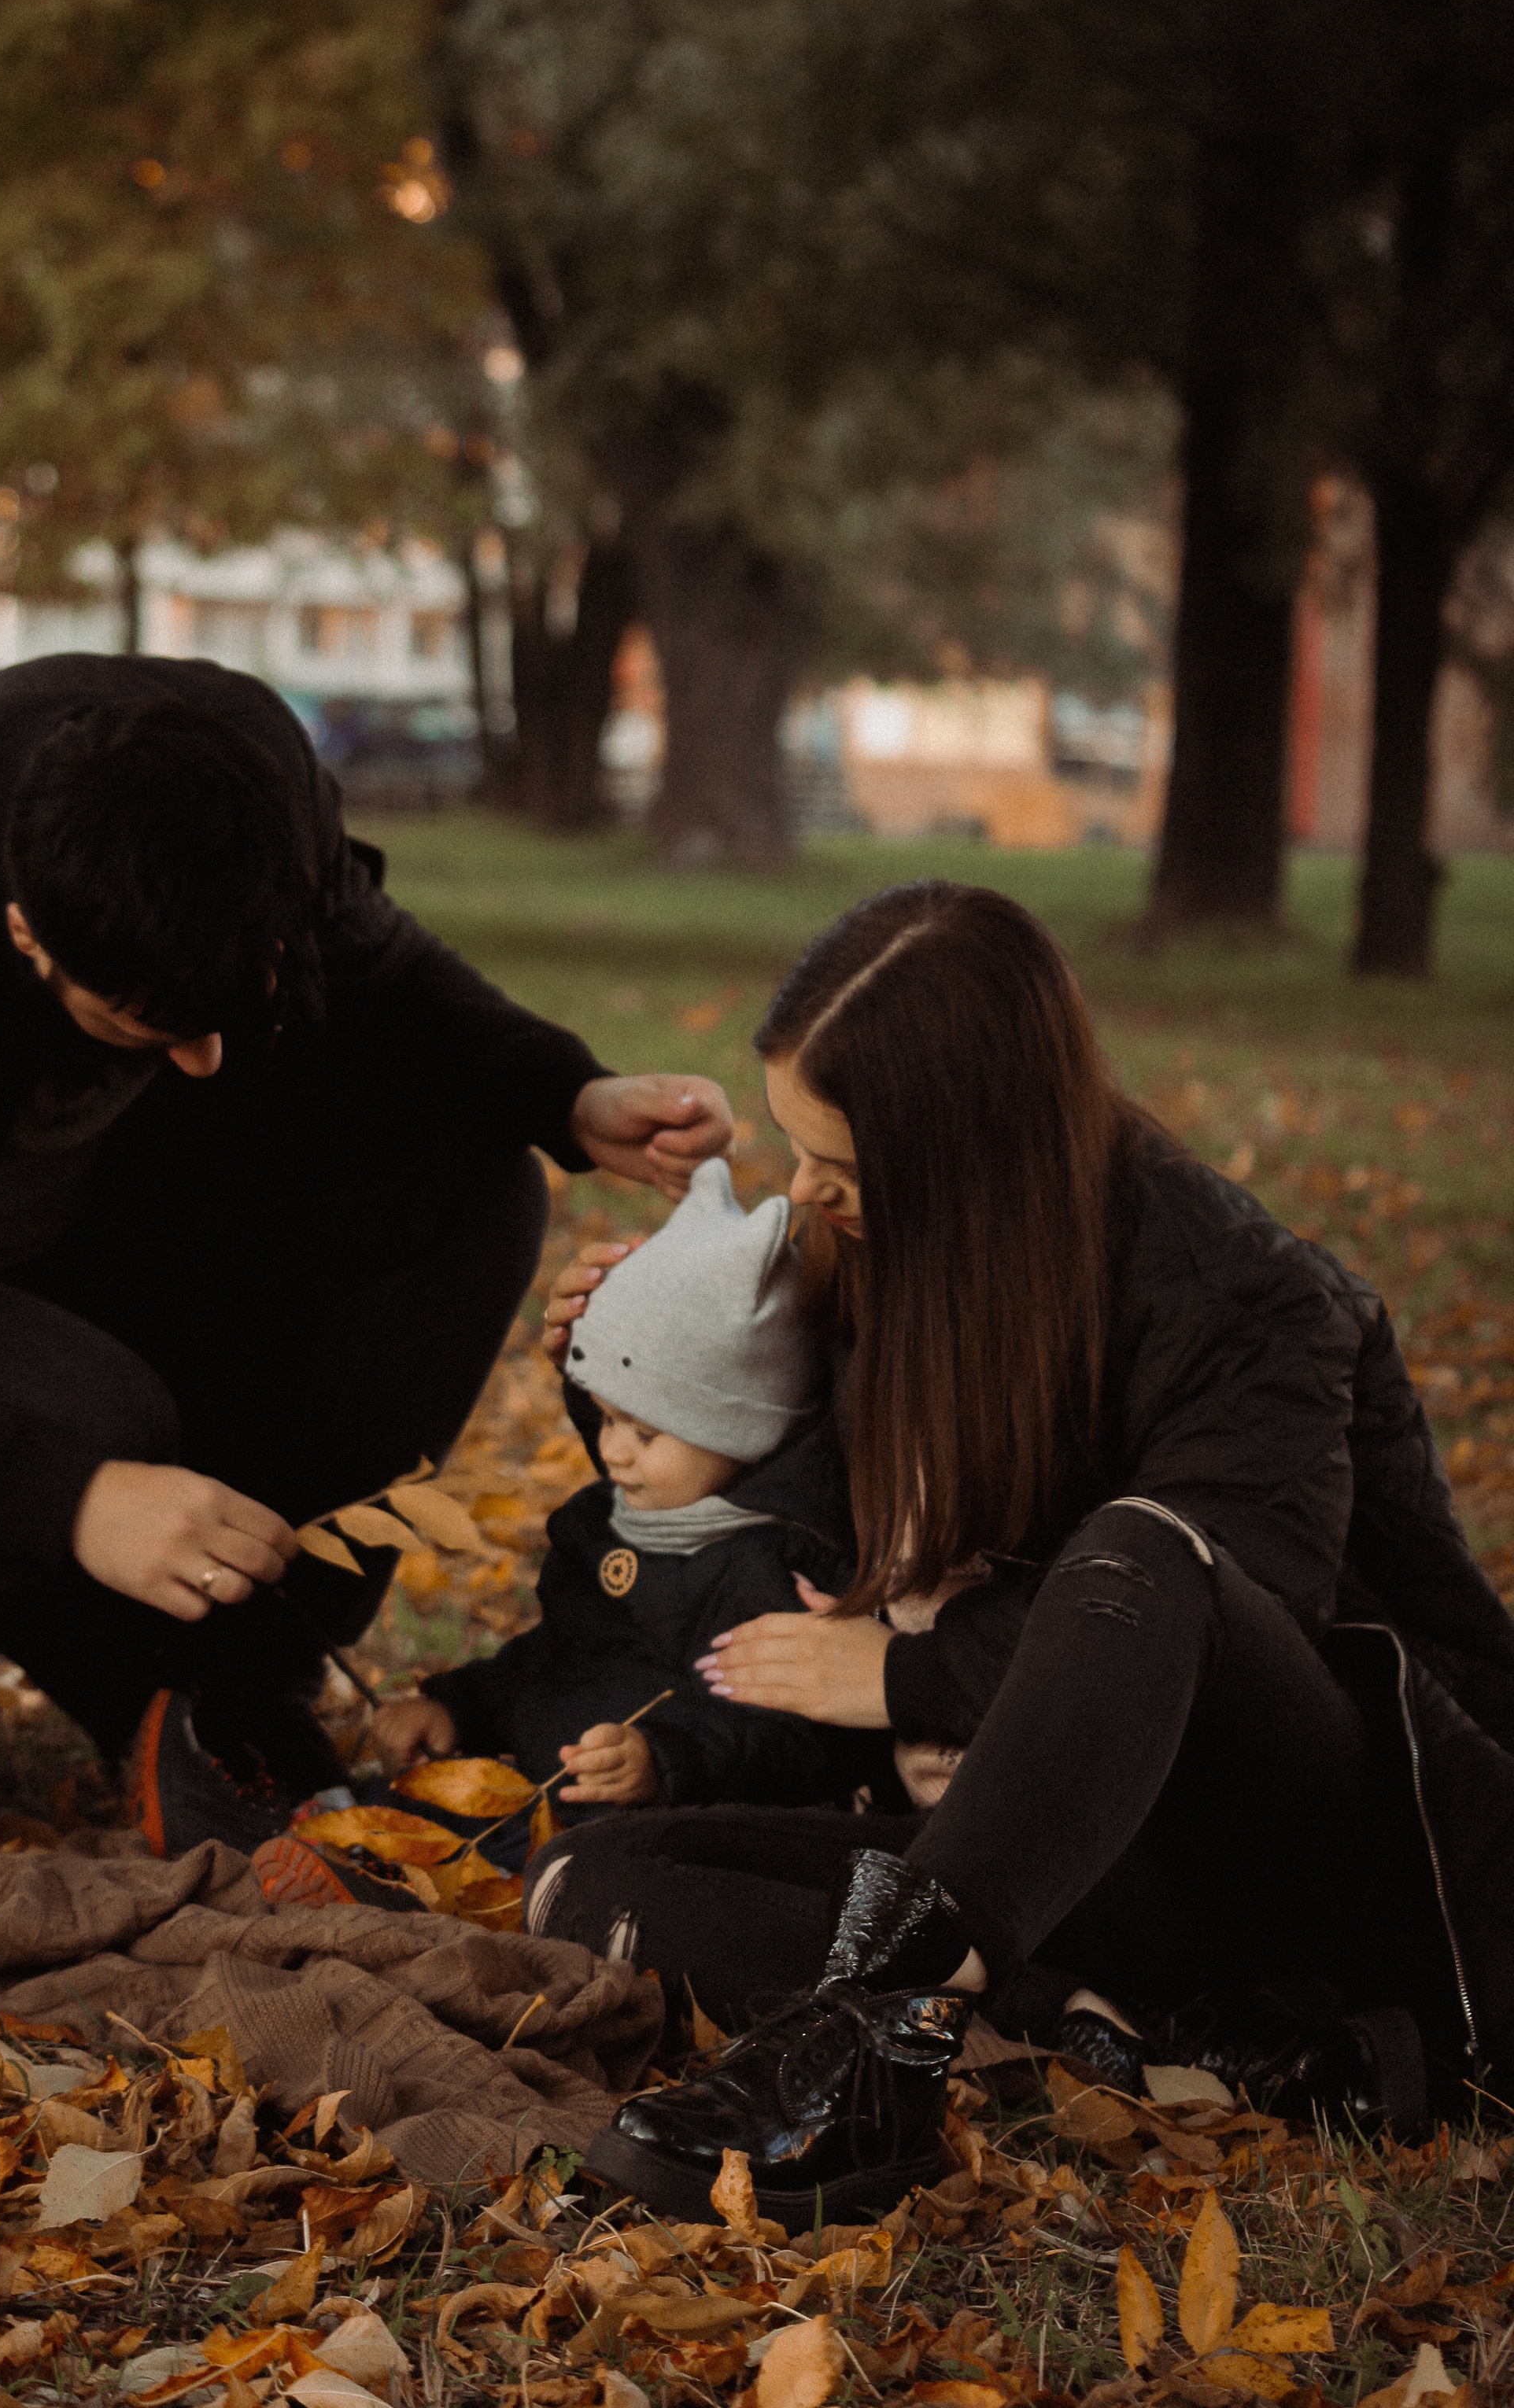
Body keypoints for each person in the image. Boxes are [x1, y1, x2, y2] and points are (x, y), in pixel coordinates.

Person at [519, 880, 1514, 2225]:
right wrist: (636, 1368)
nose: (806, 1193)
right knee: (594, 1879)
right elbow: (771, 1498)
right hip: (1049, 1861)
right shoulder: (894, 1261)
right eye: (797, 1148)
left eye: (846, 1167)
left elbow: (1217, 1617)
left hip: (1312, 1849)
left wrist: (910, 1678)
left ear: (970, 1153)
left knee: (1148, 1549)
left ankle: (872, 2040)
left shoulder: (1241, 1296)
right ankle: (1104, 2026)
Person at [0, 652, 733, 1829]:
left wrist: (560, 1090)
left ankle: (235, 1671)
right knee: (85, 1418)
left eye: (229, 1007)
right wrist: (68, 1497)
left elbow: (366, 954)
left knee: (471, 1181)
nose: (208, 1058)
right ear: (25, 934)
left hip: (102, 1238)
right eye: (148, 1023)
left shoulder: (236, 773)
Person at [258, 1161, 899, 1910]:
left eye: (646, 1432)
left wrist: (664, 1761)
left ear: (744, 1430)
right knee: (435, 1805)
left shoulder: (769, 1566)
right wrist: (458, 1705)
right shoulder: (618, 1523)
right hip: (539, 1774)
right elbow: (559, 1654)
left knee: (538, 1858)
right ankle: (337, 1837)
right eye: (607, 1418)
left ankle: (385, 1877)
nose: (614, 1451)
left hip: (643, 1816)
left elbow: (786, 1739)